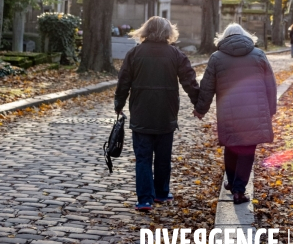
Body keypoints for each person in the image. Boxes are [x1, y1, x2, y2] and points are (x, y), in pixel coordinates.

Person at [114, 16, 199, 211]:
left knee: (143, 157)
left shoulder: (134, 53)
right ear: (168, 32)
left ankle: (144, 198)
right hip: (165, 112)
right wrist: (199, 104)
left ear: (145, 30)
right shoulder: (176, 55)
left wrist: (119, 103)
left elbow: (123, 81)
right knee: (163, 156)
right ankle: (161, 192)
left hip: (141, 112)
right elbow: (189, 82)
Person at [193, 23, 277, 205]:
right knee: (247, 151)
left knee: (231, 147)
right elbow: (271, 85)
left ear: (223, 37)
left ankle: (232, 183)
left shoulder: (216, 58)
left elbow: (207, 87)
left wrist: (200, 109)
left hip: (228, 113)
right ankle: (239, 190)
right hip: (255, 112)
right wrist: (271, 109)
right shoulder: (258, 55)